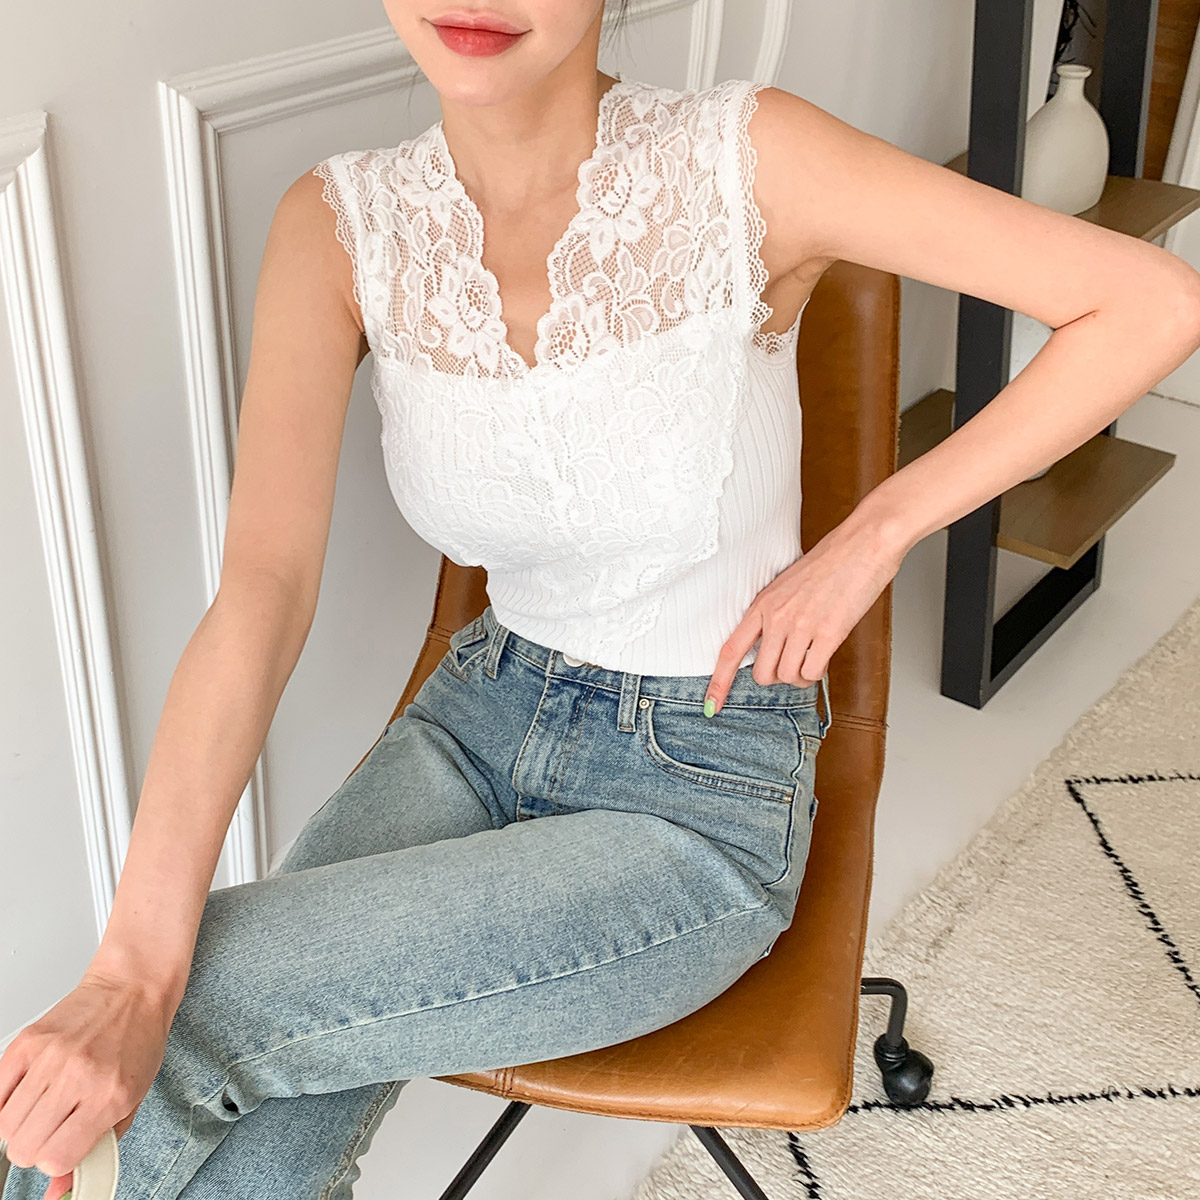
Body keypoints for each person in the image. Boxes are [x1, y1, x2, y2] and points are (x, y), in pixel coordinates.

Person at [5, 0, 1200, 1196]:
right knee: (177, 1034)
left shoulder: (747, 159)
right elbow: (261, 593)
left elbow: (1148, 303)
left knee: (193, 1006)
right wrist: (123, 971)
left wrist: (874, 532)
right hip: (477, 720)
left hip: (698, 782)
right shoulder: (341, 224)